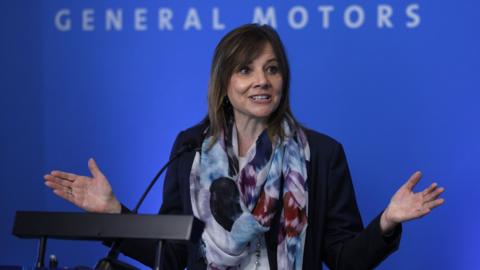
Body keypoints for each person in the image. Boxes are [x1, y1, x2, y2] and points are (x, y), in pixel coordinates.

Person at [44, 24, 445, 270]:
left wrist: (387, 222)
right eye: (246, 69)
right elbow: (172, 255)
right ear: (224, 83)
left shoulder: (322, 155)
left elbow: (344, 260)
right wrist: (115, 213)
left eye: (272, 69)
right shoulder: (190, 150)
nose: (262, 80)